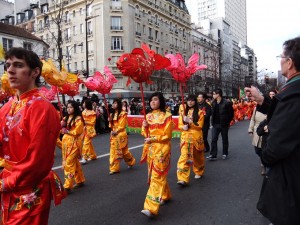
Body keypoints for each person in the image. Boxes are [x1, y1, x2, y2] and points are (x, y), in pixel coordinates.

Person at [0, 47, 65, 224]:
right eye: (8, 65)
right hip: (9, 186)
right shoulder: (7, 107)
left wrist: (8, 182)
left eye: (18, 65)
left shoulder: (42, 109)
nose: (10, 70)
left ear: (35, 72)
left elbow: (38, 161)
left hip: (29, 188)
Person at [245, 36, 300, 225]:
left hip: (291, 179)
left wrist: (265, 152)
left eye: (281, 56)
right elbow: (284, 114)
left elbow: (277, 145)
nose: (280, 60)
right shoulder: (291, 92)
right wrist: (262, 100)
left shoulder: (293, 94)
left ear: (290, 62)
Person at [140, 92, 173, 217]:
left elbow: (167, 135)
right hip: (151, 149)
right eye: (151, 100)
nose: (152, 102)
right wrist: (144, 127)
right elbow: (145, 134)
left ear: (161, 101)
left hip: (162, 148)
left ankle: (151, 207)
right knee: (156, 174)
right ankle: (166, 195)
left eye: (155, 99)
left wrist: (152, 139)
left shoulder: (167, 116)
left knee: (156, 176)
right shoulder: (148, 116)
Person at [177, 94, 205, 186]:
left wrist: (190, 122)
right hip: (186, 138)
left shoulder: (200, 112)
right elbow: (179, 125)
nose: (190, 102)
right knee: (184, 157)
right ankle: (182, 178)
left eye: (192, 100)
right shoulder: (183, 113)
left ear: (195, 101)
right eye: (188, 100)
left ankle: (199, 171)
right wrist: (183, 127)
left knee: (197, 156)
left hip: (196, 137)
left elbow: (200, 126)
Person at [61, 101, 86, 192]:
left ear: (75, 108)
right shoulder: (65, 118)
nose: (68, 109)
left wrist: (67, 131)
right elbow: (61, 130)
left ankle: (68, 185)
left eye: (71, 107)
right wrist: (61, 126)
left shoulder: (78, 119)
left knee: (68, 163)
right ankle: (80, 180)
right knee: (74, 162)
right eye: (67, 107)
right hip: (66, 142)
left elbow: (77, 132)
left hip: (74, 143)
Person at [108, 98, 135, 174]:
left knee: (122, 151)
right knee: (115, 151)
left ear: (119, 104)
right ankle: (116, 168)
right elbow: (111, 126)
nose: (113, 104)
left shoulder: (123, 113)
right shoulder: (111, 114)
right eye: (113, 103)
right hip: (114, 134)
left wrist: (116, 131)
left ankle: (128, 162)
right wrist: (110, 121)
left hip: (120, 135)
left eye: (115, 103)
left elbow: (122, 125)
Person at [207, 88, 234, 160]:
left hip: (224, 124)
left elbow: (231, 114)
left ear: (218, 94)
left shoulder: (226, 103)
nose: (213, 95)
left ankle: (225, 153)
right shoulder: (213, 103)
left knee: (224, 139)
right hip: (215, 124)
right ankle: (213, 154)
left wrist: (227, 121)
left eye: (214, 94)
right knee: (213, 139)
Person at [247, 106, 267, 175]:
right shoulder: (256, 108)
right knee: (257, 150)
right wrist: (250, 129)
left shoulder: (272, 106)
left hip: (267, 130)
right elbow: (252, 119)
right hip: (257, 130)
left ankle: (264, 165)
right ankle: (263, 160)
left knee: (264, 149)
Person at [80, 99, 97, 164]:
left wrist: (85, 122)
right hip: (85, 128)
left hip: (90, 129)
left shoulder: (92, 112)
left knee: (86, 143)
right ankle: (93, 155)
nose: (83, 104)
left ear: (87, 104)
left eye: (84, 103)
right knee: (88, 143)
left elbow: (92, 122)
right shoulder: (83, 111)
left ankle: (84, 157)